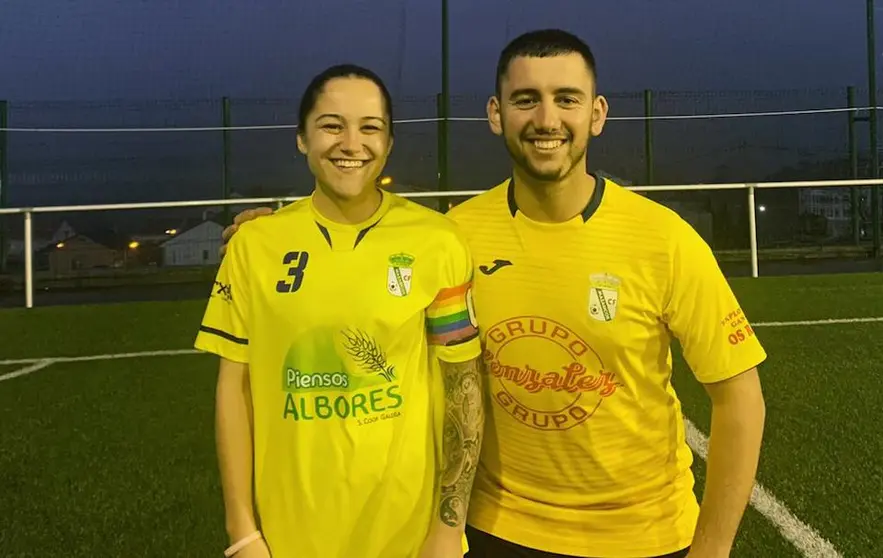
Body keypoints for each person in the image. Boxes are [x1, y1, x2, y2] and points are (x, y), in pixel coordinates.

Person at [222, 29, 767, 558]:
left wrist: (713, 548)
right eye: (526, 100)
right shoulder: (455, 235)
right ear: (495, 114)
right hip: (494, 531)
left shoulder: (665, 240)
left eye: (566, 99)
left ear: (596, 115)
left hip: (645, 538)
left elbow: (739, 397)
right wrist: (273, 228)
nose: (546, 120)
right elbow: (366, 247)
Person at [196, 63, 484, 558]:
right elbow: (232, 388)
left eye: (370, 127)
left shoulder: (438, 241)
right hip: (289, 539)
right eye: (332, 125)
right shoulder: (254, 246)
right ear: (302, 139)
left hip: (411, 539)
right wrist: (242, 532)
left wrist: (445, 531)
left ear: (389, 143)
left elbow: (464, 390)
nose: (352, 143)